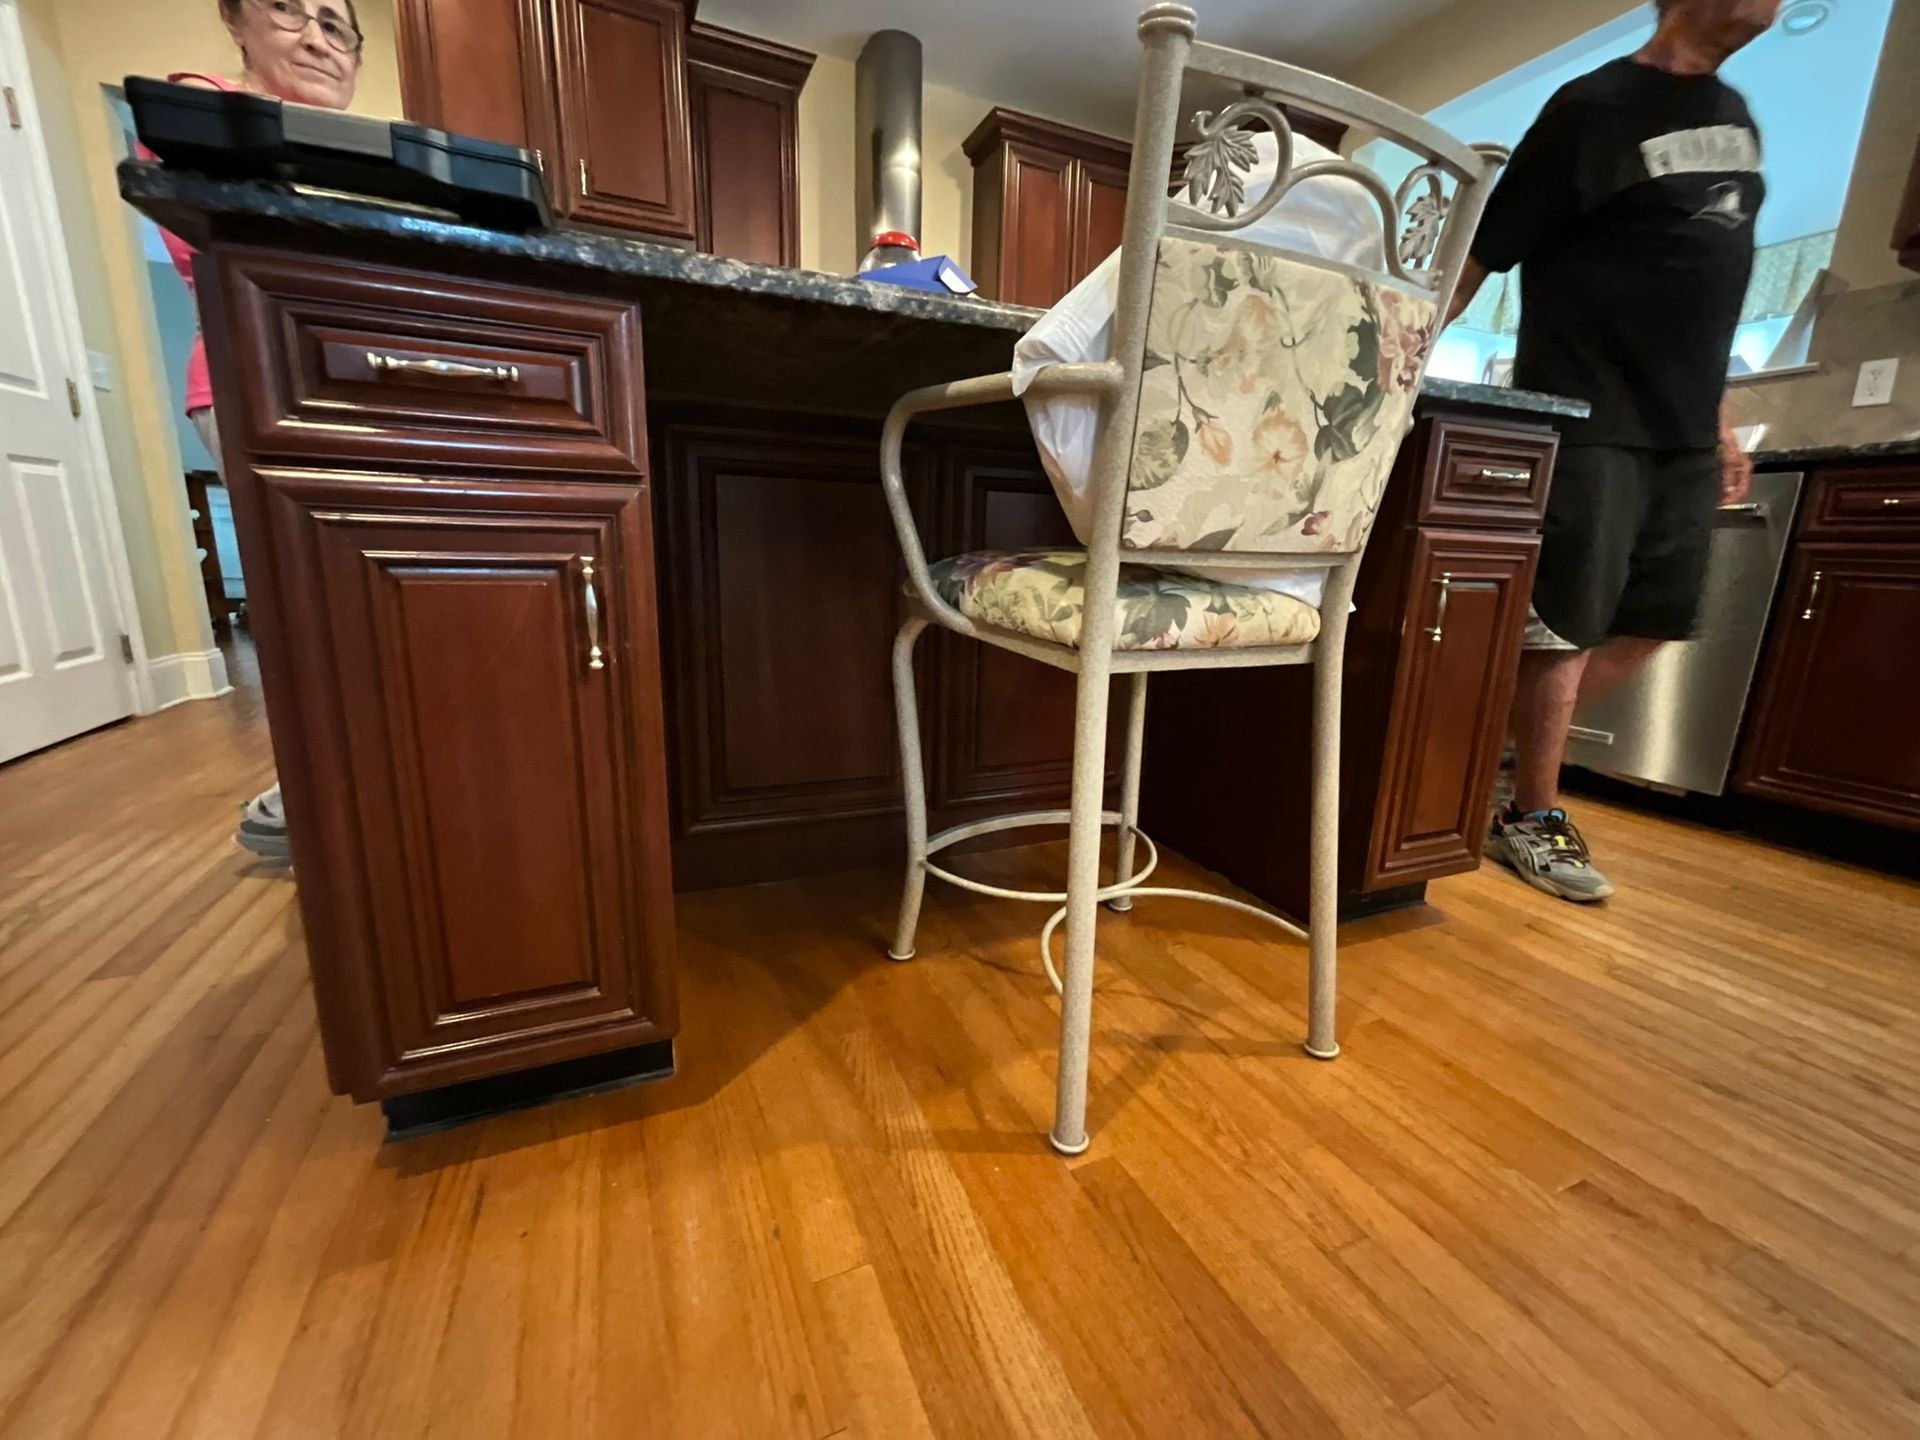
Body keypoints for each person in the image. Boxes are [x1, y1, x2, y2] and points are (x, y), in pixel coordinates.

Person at [1446, 0, 1777, 902]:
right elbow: (1487, 248)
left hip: (1682, 426)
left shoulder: (1735, 115)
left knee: (1662, 617)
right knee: (1565, 623)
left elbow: (1707, 291)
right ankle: (1530, 814)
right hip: (1588, 410)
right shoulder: (1591, 108)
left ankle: (1475, 750)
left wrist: (1714, 421)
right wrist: (1402, 363)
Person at [148, 0, 366, 861]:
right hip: (252, 381)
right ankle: (317, 785)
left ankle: (344, 777)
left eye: (337, 25)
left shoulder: (335, 159)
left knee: (345, 595)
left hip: (336, 381)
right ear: (235, 19)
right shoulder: (200, 109)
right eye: (288, 10)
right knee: (308, 597)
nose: (317, 36)